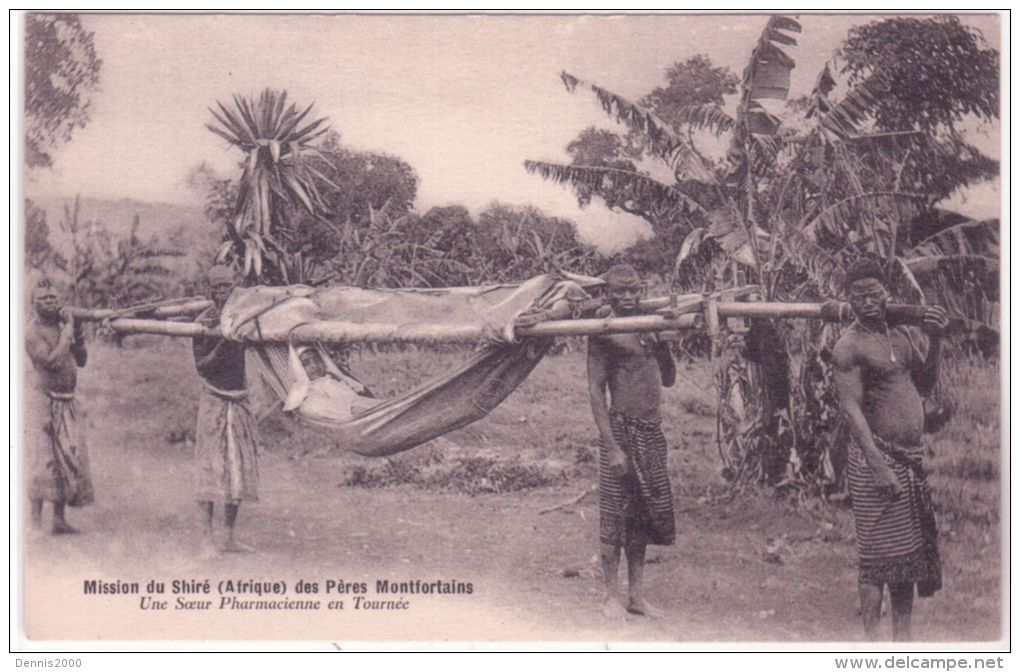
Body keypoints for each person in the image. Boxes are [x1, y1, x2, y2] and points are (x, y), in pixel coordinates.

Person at [832, 258, 949, 641]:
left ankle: (903, 641)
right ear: (849, 300)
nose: (868, 301)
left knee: (905, 560)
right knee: (876, 556)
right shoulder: (848, 346)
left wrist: (936, 339)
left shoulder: (900, 336)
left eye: (874, 293)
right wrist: (878, 465)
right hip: (875, 461)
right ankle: (873, 643)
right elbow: (850, 410)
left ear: (887, 295)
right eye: (859, 295)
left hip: (908, 460)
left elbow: (926, 384)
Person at [586, 263, 677, 619]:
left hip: (651, 431)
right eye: (618, 291)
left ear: (642, 289)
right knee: (614, 514)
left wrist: (665, 344)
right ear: (607, 292)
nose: (626, 297)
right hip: (621, 429)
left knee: (642, 516)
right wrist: (610, 445)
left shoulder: (652, 324)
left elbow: (668, 379)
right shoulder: (604, 330)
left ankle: (636, 596)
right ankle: (609, 596)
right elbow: (595, 388)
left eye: (632, 290)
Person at [192, 264, 261, 554]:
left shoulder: (243, 318)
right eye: (217, 287)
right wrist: (222, 341)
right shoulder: (203, 321)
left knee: (238, 469)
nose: (223, 292)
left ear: (235, 287)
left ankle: (228, 536)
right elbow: (201, 366)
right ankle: (206, 536)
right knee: (211, 467)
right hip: (215, 399)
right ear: (209, 290)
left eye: (227, 286)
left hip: (240, 399)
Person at [25, 278, 93, 534]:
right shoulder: (31, 331)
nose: (50, 302)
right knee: (42, 460)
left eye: (53, 297)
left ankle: (58, 519)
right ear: (33, 303)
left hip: (67, 400)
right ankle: (34, 521)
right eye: (44, 298)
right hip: (42, 400)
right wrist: (68, 332)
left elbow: (82, 359)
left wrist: (78, 331)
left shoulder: (64, 325)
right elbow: (52, 362)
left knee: (67, 456)